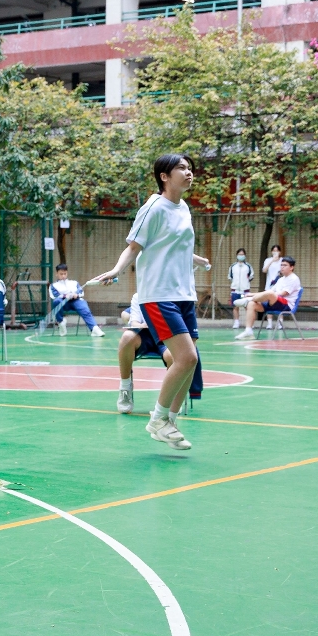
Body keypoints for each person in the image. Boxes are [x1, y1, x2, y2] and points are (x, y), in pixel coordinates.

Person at [92, 154, 211, 451]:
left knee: (190, 362)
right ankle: (158, 419)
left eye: (190, 168)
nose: (189, 172)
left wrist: (197, 260)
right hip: (158, 295)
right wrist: (117, 270)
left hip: (184, 295)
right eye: (181, 168)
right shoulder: (153, 207)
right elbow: (134, 247)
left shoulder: (184, 208)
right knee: (187, 358)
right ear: (164, 176)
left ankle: (169, 421)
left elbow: (174, 247)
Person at [116, 293, 174, 414]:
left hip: (166, 336)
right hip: (144, 335)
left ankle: (171, 398)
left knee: (172, 355)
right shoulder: (138, 296)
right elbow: (134, 322)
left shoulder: (171, 295)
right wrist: (142, 325)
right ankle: (125, 389)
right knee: (127, 337)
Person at [233, 256, 301, 340]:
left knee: (269, 294)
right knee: (251, 304)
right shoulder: (281, 279)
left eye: (285, 265)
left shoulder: (294, 278)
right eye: (281, 265)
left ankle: (249, 299)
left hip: (286, 305)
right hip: (273, 302)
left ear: (291, 267)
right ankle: (248, 331)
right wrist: (252, 294)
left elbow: (283, 293)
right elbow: (269, 292)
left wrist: (263, 295)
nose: (282, 267)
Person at [49, 263, 104, 337]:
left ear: (67, 273)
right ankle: (61, 322)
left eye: (65, 274)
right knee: (56, 301)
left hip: (75, 301)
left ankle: (94, 328)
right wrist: (66, 296)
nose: (63, 276)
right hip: (63, 304)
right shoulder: (53, 286)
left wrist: (76, 295)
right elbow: (54, 296)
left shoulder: (74, 283)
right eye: (61, 274)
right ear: (56, 274)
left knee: (83, 305)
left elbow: (81, 292)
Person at [228, 248, 254, 329]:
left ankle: (249, 323)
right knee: (235, 306)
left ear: (245, 255)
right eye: (239, 254)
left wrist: (245, 283)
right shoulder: (233, 266)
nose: (241, 256)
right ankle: (236, 322)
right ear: (237, 255)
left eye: (242, 254)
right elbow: (230, 277)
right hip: (235, 290)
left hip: (245, 290)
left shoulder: (248, 266)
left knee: (247, 307)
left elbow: (251, 276)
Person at [261, 245, 283, 330]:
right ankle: (269, 323)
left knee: (279, 303)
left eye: (277, 251)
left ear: (280, 252)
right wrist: (272, 261)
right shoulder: (268, 260)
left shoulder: (282, 260)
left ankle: (280, 323)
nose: (275, 252)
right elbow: (264, 270)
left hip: (279, 286)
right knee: (269, 304)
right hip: (269, 286)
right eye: (273, 250)